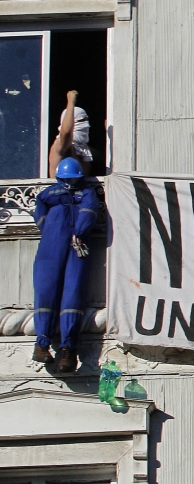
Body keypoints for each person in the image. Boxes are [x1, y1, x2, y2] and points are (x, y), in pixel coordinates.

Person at [32, 156, 101, 372]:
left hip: (76, 246)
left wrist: (80, 231)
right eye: (66, 179)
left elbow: (90, 210)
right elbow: (40, 209)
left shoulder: (86, 192)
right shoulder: (50, 194)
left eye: (73, 179)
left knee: (73, 292)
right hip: (52, 244)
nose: (69, 184)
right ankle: (42, 343)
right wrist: (48, 228)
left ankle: (68, 349)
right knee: (46, 289)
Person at [48, 90, 94, 177]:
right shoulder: (60, 146)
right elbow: (66, 133)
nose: (87, 125)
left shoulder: (84, 150)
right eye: (82, 121)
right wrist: (71, 102)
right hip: (62, 190)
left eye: (87, 121)